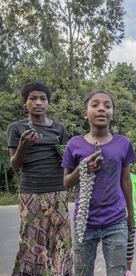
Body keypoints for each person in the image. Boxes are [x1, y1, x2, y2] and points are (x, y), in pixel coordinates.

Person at [62, 90, 136, 275]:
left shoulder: (123, 144)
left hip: (116, 220)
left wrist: (131, 215)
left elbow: (126, 180)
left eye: (107, 105)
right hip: (84, 222)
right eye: (95, 105)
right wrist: (81, 170)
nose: (102, 109)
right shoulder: (74, 144)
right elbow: (66, 182)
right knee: (82, 271)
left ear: (112, 113)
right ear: (85, 112)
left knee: (117, 271)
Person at [7, 81, 73, 275]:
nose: (38, 103)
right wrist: (23, 148)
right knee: (31, 241)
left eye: (43, 99)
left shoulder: (59, 128)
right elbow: (15, 166)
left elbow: (65, 160)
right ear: (24, 103)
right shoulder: (16, 128)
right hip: (30, 193)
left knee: (61, 239)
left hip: (58, 191)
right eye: (32, 98)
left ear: (48, 103)